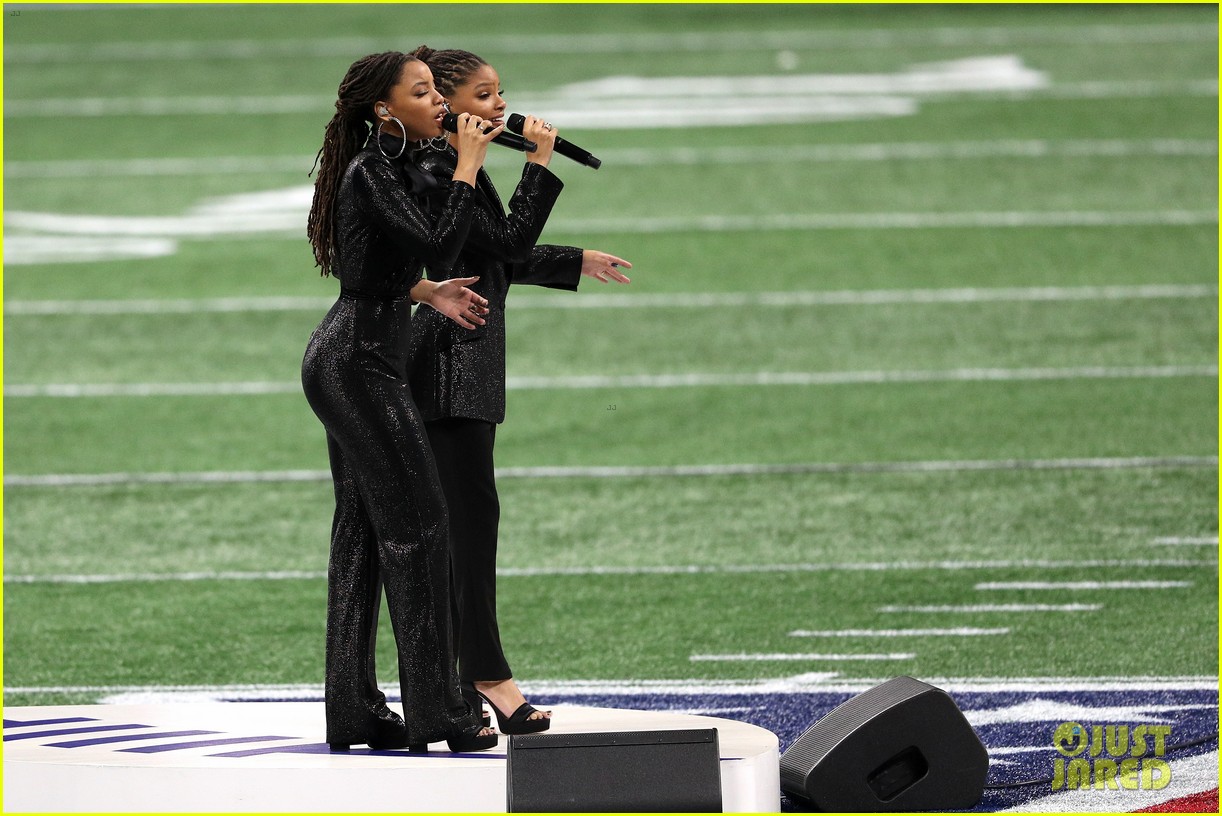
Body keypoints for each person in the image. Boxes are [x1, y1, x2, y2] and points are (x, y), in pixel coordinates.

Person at [301, 50, 545, 753]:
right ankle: (441, 714)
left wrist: (427, 292)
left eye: (438, 89)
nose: (438, 99)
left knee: (364, 533)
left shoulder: (388, 168)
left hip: (357, 355)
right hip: (359, 365)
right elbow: (440, 241)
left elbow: (383, 262)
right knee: (421, 531)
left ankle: (353, 710)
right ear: (385, 107)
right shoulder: (372, 170)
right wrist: (468, 164)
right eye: (422, 91)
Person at [405, 45, 632, 735]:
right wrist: (538, 162)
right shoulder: (440, 167)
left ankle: (458, 685)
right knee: (467, 533)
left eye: (499, 92)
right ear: (448, 105)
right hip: (448, 364)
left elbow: (490, 252)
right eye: (484, 94)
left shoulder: (449, 165)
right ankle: (487, 678)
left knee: (462, 531)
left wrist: (572, 260)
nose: (500, 106)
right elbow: (500, 243)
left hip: (460, 363)